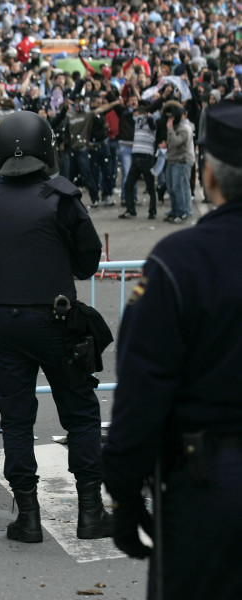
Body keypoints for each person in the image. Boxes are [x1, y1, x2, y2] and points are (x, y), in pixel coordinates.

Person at [103, 101, 242, 599]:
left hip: (209, 488)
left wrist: (123, 493)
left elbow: (141, 393)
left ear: (209, 175)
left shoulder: (179, 264)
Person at [0, 111, 112, 543]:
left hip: (1, 322)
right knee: (81, 415)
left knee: (15, 420)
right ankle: (90, 514)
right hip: (55, 320)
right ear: (46, 149)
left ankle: (28, 518)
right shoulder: (61, 199)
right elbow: (88, 261)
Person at [119, 100, 159, 219]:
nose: (134, 115)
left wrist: (147, 115)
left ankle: (152, 211)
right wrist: (134, 109)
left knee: (150, 186)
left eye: (136, 113)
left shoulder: (152, 122)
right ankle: (130, 210)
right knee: (128, 184)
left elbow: (152, 124)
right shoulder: (137, 121)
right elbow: (126, 115)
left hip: (146, 157)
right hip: (136, 156)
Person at [163, 100, 195, 223]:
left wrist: (170, 129)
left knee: (178, 187)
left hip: (181, 161)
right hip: (171, 159)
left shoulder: (184, 128)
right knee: (171, 188)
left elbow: (177, 142)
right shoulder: (175, 127)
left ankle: (182, 212)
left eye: (171, 118)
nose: (169, 121)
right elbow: (171, 142)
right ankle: (175, 210)